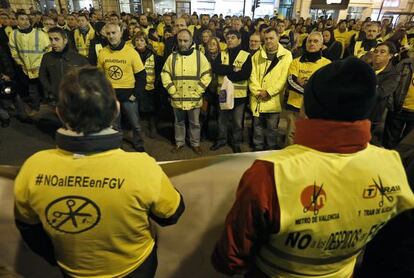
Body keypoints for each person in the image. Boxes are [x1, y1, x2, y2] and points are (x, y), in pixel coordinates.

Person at [211, 57, 414, 278]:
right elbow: (393, 240)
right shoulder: (391, 164)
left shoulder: (271, 172)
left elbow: (231, 255)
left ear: (306, 107)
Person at [14, 66, 184, 278]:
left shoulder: (33, 167)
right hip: (134, 267)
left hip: (74, 271)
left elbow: (29, 229)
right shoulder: (141, 167)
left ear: (59, 112)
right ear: (116, 109)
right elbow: (172, 214)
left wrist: (59, 256)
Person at [161, 29, 212, 154]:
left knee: (195, 123)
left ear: (191, 41)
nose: (182, 43)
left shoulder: (200, 56)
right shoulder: (172, 57)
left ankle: (195, 144)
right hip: (177, 97)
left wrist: (198, 91)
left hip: (194, 98)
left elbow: (207, 74)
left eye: (185, 41)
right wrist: (172, 91)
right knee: (179, 122)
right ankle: (179, 143)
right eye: (180, 40)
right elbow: (165, 74)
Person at [97, 23, 146, 152]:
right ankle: (117, 145)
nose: (111, 36)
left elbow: (141, 75)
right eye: (108, 33)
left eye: (114, 33)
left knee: (135, 124)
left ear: (120, 33)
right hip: (111, 95)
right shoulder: (102, 53)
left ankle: (139, 143)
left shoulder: (131, 52)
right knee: (114, 124)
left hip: (129, 95)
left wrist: (135, 94)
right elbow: (100, 75)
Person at [249, 28, 292, 151]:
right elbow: (252, 76)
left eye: (271, 38)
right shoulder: (257, 54)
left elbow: (283, 78)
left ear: (278, 37)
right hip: (258, 97)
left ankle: (270, 149)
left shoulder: (286, 55)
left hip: (273, 98)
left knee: (272, 127)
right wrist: (257, 91)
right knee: (257, 125)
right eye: (266, 39)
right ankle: (257, 147)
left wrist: (268, 92)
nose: (268, 41)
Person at [284, 32, 331, 146]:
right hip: (294, 106)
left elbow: (326, 87)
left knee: (311, 138)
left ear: (321, 45)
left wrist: (304, 82)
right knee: (291, 136)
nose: (312, 44)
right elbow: (291, 82)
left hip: (315, 108)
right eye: (309, 41)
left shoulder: (327, 64)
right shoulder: (296, 62)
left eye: (316, 41)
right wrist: (313, 87)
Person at [210, 30, 252, 153]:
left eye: (233, 37)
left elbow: (245, 74)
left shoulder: (245, 55)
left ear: (239, 40)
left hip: (239, 95)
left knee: (237, 122)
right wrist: (233, 69)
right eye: (228, 37)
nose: (229, 40)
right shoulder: (222, 54)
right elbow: (216, 69)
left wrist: (227, 74)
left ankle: (236, 142)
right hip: (223, 93)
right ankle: (221, 140)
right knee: (221, 120)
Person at [9, 11, 50, 111]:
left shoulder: (40, 33)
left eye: (26, 19)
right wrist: (21, 64)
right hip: (26, 70)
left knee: (46, 88)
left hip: (40, 68)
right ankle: (36, 108)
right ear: (17, 21)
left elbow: (48, 50)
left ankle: (49, 108)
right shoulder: (13, 35)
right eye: (22, 19)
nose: (25, 21)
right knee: (32, 90)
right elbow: (14, 52)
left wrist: (42, 64)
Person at [39, 27, 89, 105]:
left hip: (75, 99)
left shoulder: (79, 58)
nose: (53, 43)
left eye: (56, 39)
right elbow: (42, 76)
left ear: (65, 40)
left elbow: (88, 78)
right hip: (57, 99)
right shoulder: (47, 57)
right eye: (51, 39)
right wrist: (51, 90)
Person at [369, 41, 400, 146]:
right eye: (376, 51)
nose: (377, 54)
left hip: (373, 116)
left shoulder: (393, 75)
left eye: (382, 52)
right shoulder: (367, 67)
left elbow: (380, 93)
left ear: (390, 56)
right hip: (357, 112)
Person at [133, 31, 163, 138]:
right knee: (137, 109)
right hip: (135, 87)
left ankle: (152, 126)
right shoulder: (132, 54)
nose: (139, 43)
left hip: (150, 86)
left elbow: (158, 71)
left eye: (142, 40)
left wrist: (156, 84)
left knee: (151, 109)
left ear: (146, 42)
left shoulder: (153, 55)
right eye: (137, 40)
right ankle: (138, 129)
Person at [384, 56, 414, 148]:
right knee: (389, 142)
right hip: (398, 109)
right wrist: (391, 105)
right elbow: (392, 83)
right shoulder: (405, 64)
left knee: (407, 145)